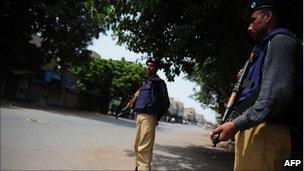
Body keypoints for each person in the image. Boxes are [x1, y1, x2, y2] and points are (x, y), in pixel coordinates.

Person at [210, 0, 302, 170]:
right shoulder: (263, 49)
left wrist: (236, 124)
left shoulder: (280, 41)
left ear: (268, 17)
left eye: (253, 20)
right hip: (256, 131)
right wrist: (243, 79)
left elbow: (273, 97)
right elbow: (255, 88)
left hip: (264, 132)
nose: (249, 27)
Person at [133, 57, 170, 171]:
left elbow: (166, 103)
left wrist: (155, 118)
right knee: (137, 146)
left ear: (157, 68)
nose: (149, 67)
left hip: (149, 118)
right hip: (139, 117)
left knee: (144, 149)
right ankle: (138, 168)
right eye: (148, 65)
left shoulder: (159, 83)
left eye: (152, 65)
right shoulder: (145, 82)